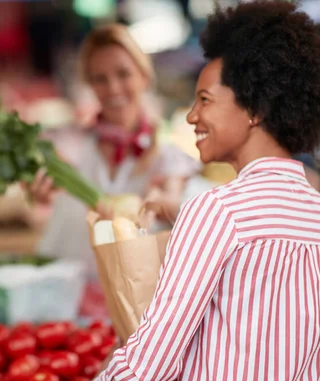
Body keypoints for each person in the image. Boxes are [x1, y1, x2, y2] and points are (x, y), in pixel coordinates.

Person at [90, 1, 320, 381]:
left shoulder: (217, 211)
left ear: (254, 108)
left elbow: (147, 369)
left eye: (204, 100)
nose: (191, 116)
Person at [31, 24, 205, 276]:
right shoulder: (69, 145)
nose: (113, 88)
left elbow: (175, 204)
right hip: (73, 287)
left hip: (135, 293)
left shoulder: (168, 156)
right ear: (90, 85)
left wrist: (159, 204)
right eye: (100, 79)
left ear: (144, 76)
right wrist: (40, 195)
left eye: (123, 74)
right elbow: (41, 192)